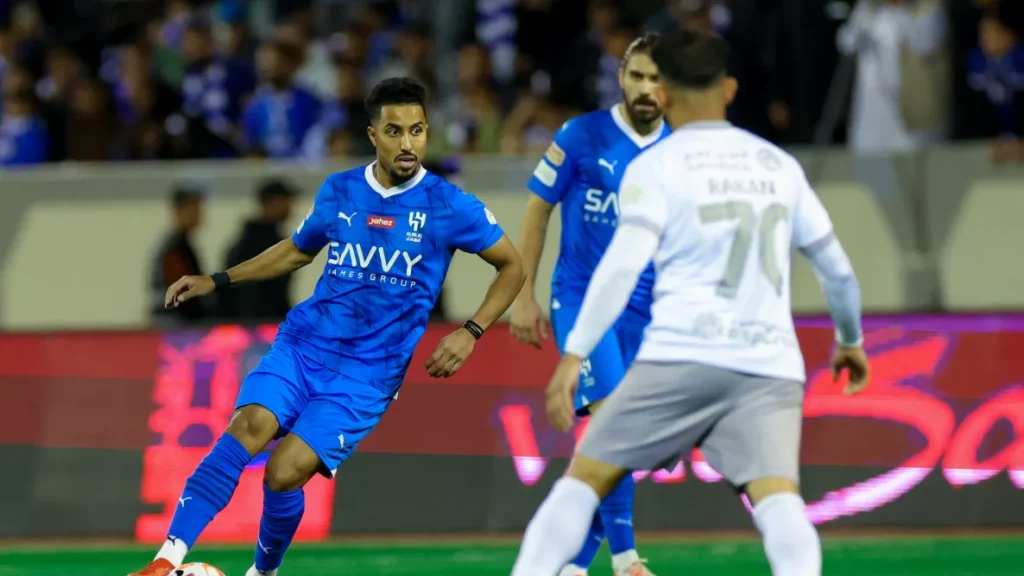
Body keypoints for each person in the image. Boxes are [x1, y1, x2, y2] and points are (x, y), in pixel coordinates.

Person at [130, 77, 526, 576]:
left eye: (418, 130)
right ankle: (166, 560)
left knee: (283, 473)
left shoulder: (450, 206)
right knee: (248, 427)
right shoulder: (340, 190)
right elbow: (297, 251)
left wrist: (471, 331)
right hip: (304, 345)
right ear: (373, 135)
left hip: (367, 374)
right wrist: (218, 279)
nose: (408, 143)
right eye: (395, 131)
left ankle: (263, 572)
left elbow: (512, 266)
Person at [510, 29, 869, 576]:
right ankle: (615, 560)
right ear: (729, 89)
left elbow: (621, 268)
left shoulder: (659, 164)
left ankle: (563, 566)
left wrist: (572, 353)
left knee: (586, 478)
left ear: (668, 92)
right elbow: (838, 271)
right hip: (768, 362)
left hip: (680, 350)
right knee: (778, 500)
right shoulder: (779, 165)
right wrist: (850, 340)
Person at [510, 32, 669, 576]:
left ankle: (573, 566)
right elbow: (537, 210)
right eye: (636, 76)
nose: (645, 88)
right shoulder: (581, 135)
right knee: (614, 421)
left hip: (645, 310)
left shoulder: (681, 151)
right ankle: (626, 559)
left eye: (656, 79)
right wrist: (524, 296)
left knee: (623, 441)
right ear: (621, 77)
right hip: (580, 297)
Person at [219, 178, 299, 322]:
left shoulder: (244, 243)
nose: (290, 206)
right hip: (261, 326)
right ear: (270, 203)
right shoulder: (258, 245)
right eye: (285, 200)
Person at [149, 184, 207, 326]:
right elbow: (181, 291)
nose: (198, 213)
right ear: (178, 210)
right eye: (192, 208)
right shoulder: (174, 248)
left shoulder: (181, 244)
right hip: (175, 324)